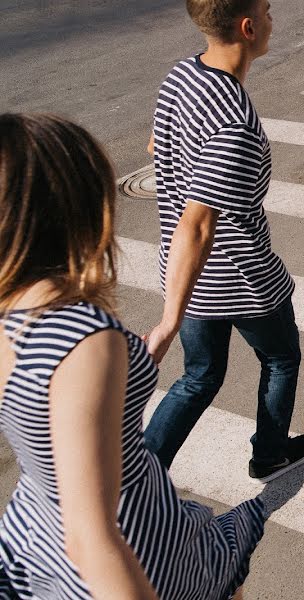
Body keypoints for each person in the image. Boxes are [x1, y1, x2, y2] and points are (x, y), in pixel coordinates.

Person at [0, 113, 264, 599]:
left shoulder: (12, 313)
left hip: (35, 532)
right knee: (228, 572)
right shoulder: (81, 336)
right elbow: (92, 538)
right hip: (134, 543)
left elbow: (44, 413)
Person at [143, 0, 304, 481]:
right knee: (281, 357)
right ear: (247, 27)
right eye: (266, 10)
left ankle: (136, 480)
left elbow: (157, 146)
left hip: (188, 276)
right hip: (241, 278)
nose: (271, 17)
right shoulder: (234, 124)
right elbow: (198, 225)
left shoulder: (181, 76)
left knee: (198, 377)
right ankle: (269, 454)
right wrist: (167, 323)